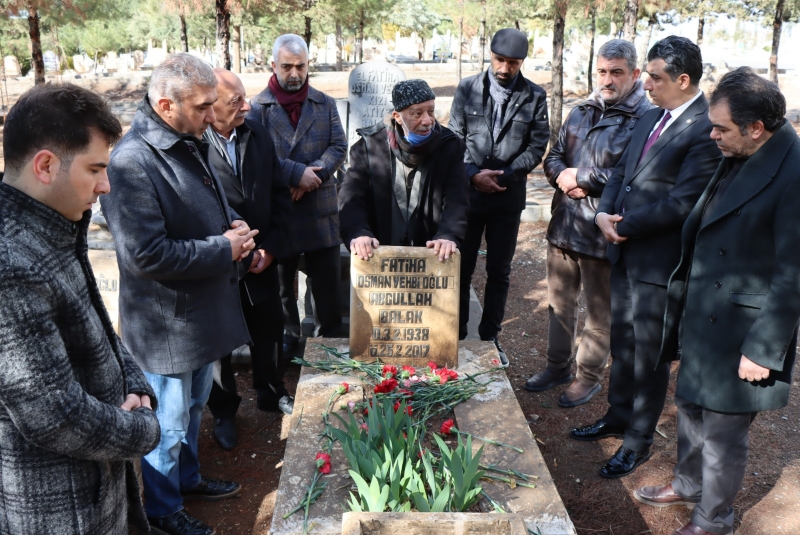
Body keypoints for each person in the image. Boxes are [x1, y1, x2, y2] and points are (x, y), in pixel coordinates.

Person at [634, 68, 800, 535]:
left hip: (743, 327)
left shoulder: (793, 172)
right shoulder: (740, 148)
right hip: (704, 311)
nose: (712, 136)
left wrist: (764, 348)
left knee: (724, 434)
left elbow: (794, 273)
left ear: (755, 128)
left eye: (721, 128)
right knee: (689, 407)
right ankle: (688, 484)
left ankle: (715, 520)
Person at [0, 83, 160, 534]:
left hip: (98, 479)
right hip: (60, 506)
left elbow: (98, 326)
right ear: (46, 166)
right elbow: (53, 415)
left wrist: (132, 380)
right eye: (95, 169)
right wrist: (143, 429)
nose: (105, 186)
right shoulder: (10, 261)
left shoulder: (54, 224)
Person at [104, 53, 252, 535]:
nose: (213, 116)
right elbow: (145, 255)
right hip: (165, 325)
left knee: (190, 412)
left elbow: (204, 197)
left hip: (198, 317)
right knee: (166, 428)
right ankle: (163, 510)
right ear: (166, 105)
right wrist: (221, 248)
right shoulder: (130, 162)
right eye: (203, 107)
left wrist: (229, 223)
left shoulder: (185, 137)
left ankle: (186, 481)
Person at [570, 36, 722, 479]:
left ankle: (637, 440)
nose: (647, 84)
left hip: (660, 262)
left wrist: (622, 224)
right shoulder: (650, 116)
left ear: (683, 79)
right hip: (625, 252)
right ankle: (616, 417)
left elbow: (682, 202)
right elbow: (621, 173)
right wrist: (602, 213)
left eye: (655, 78)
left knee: (650, 355)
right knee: (623, 343)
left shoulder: (705, 127)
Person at [525, 40, 652, 408]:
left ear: (635, 75)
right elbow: (555, 155)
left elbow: (635, 174)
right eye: (602, 71)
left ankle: (588, 378)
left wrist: (583, 177)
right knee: (560, 304)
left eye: (616, 72)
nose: (607, 80)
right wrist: (562, 177)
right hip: (564, 225)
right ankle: (557, 366)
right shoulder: (580, 109)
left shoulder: (644, 119)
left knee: (600, 314)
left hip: (603, 233)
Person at [203, 68, 294, 451]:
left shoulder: (257, 132)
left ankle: (272, 392)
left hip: (261, 255)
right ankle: (224, 411)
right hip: (218, 261)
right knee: (218, 341)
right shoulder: (192, 143)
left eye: (244, 97)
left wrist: (269, 247)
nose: (247, 105)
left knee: (269, 326)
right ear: (210, 106)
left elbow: (277, 194)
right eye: (235, 101)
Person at [449, 28, 550, 364]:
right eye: (500, 60)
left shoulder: (535, 96)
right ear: (489, 54)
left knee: (499, 271)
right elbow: (455, 136)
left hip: (507, 196)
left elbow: (537, 145)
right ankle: (458, 336)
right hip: (470, 195)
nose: (505, 69)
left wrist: (505, 174)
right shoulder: (467, 88)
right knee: (460, 269)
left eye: (513, 63)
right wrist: (472, 175)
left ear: (522, 62)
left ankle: (490, 338)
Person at [248, 33, 348, 354]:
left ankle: (327, 345)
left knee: (327, 288)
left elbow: (339, 146)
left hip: (320, 210)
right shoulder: (257, 109)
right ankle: (288, 342)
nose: (294, 74)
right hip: (280, 211)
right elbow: (253, 156)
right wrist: (294, 174)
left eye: (301, 67)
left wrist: (312, 175)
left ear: (308, 65)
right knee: (281, 288)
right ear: (273, 65)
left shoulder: (325, 102)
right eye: (287, 67)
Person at [339, 79, 469, 261]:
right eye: (417, 113)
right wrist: (359, 232)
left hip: (431, 255)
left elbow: (457, 198)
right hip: (379, 255)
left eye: (431, 111)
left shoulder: (450, 146)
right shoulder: (368, 148)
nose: (427, 120)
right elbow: (352, 197)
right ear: (397, 116)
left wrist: (448, 235)